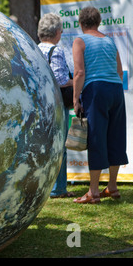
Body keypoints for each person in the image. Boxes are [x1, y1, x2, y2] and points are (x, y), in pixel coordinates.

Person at [72, 6, 128, 204]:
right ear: (98, 22)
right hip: (115, 89)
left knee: (96, 137)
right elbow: (120, 71)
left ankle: (93, 191)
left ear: (81, 23)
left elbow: (79, 73)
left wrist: (75, 98)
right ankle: (112, 186)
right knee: (116, 136)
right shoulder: (110, 41)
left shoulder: (80, 41)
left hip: (95, 90)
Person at [37, 13, 74, 199]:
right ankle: (58, 188)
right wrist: (74, 82)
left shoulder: (34, 49)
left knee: (43, 145)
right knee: (59, 146)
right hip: (56, 104)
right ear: (57, 32)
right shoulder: (56, 51)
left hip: (39, 102)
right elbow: (60, 80)